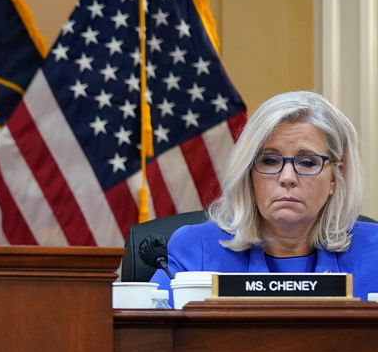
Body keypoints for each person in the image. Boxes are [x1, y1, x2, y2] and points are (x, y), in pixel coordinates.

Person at [152, 90, 378, 298]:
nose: (287, 177)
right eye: (269, 161)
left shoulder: (373, 253)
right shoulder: (197, 250)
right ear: (248, 173)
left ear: (334, 177)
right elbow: (149, 334)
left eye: (307, 162)